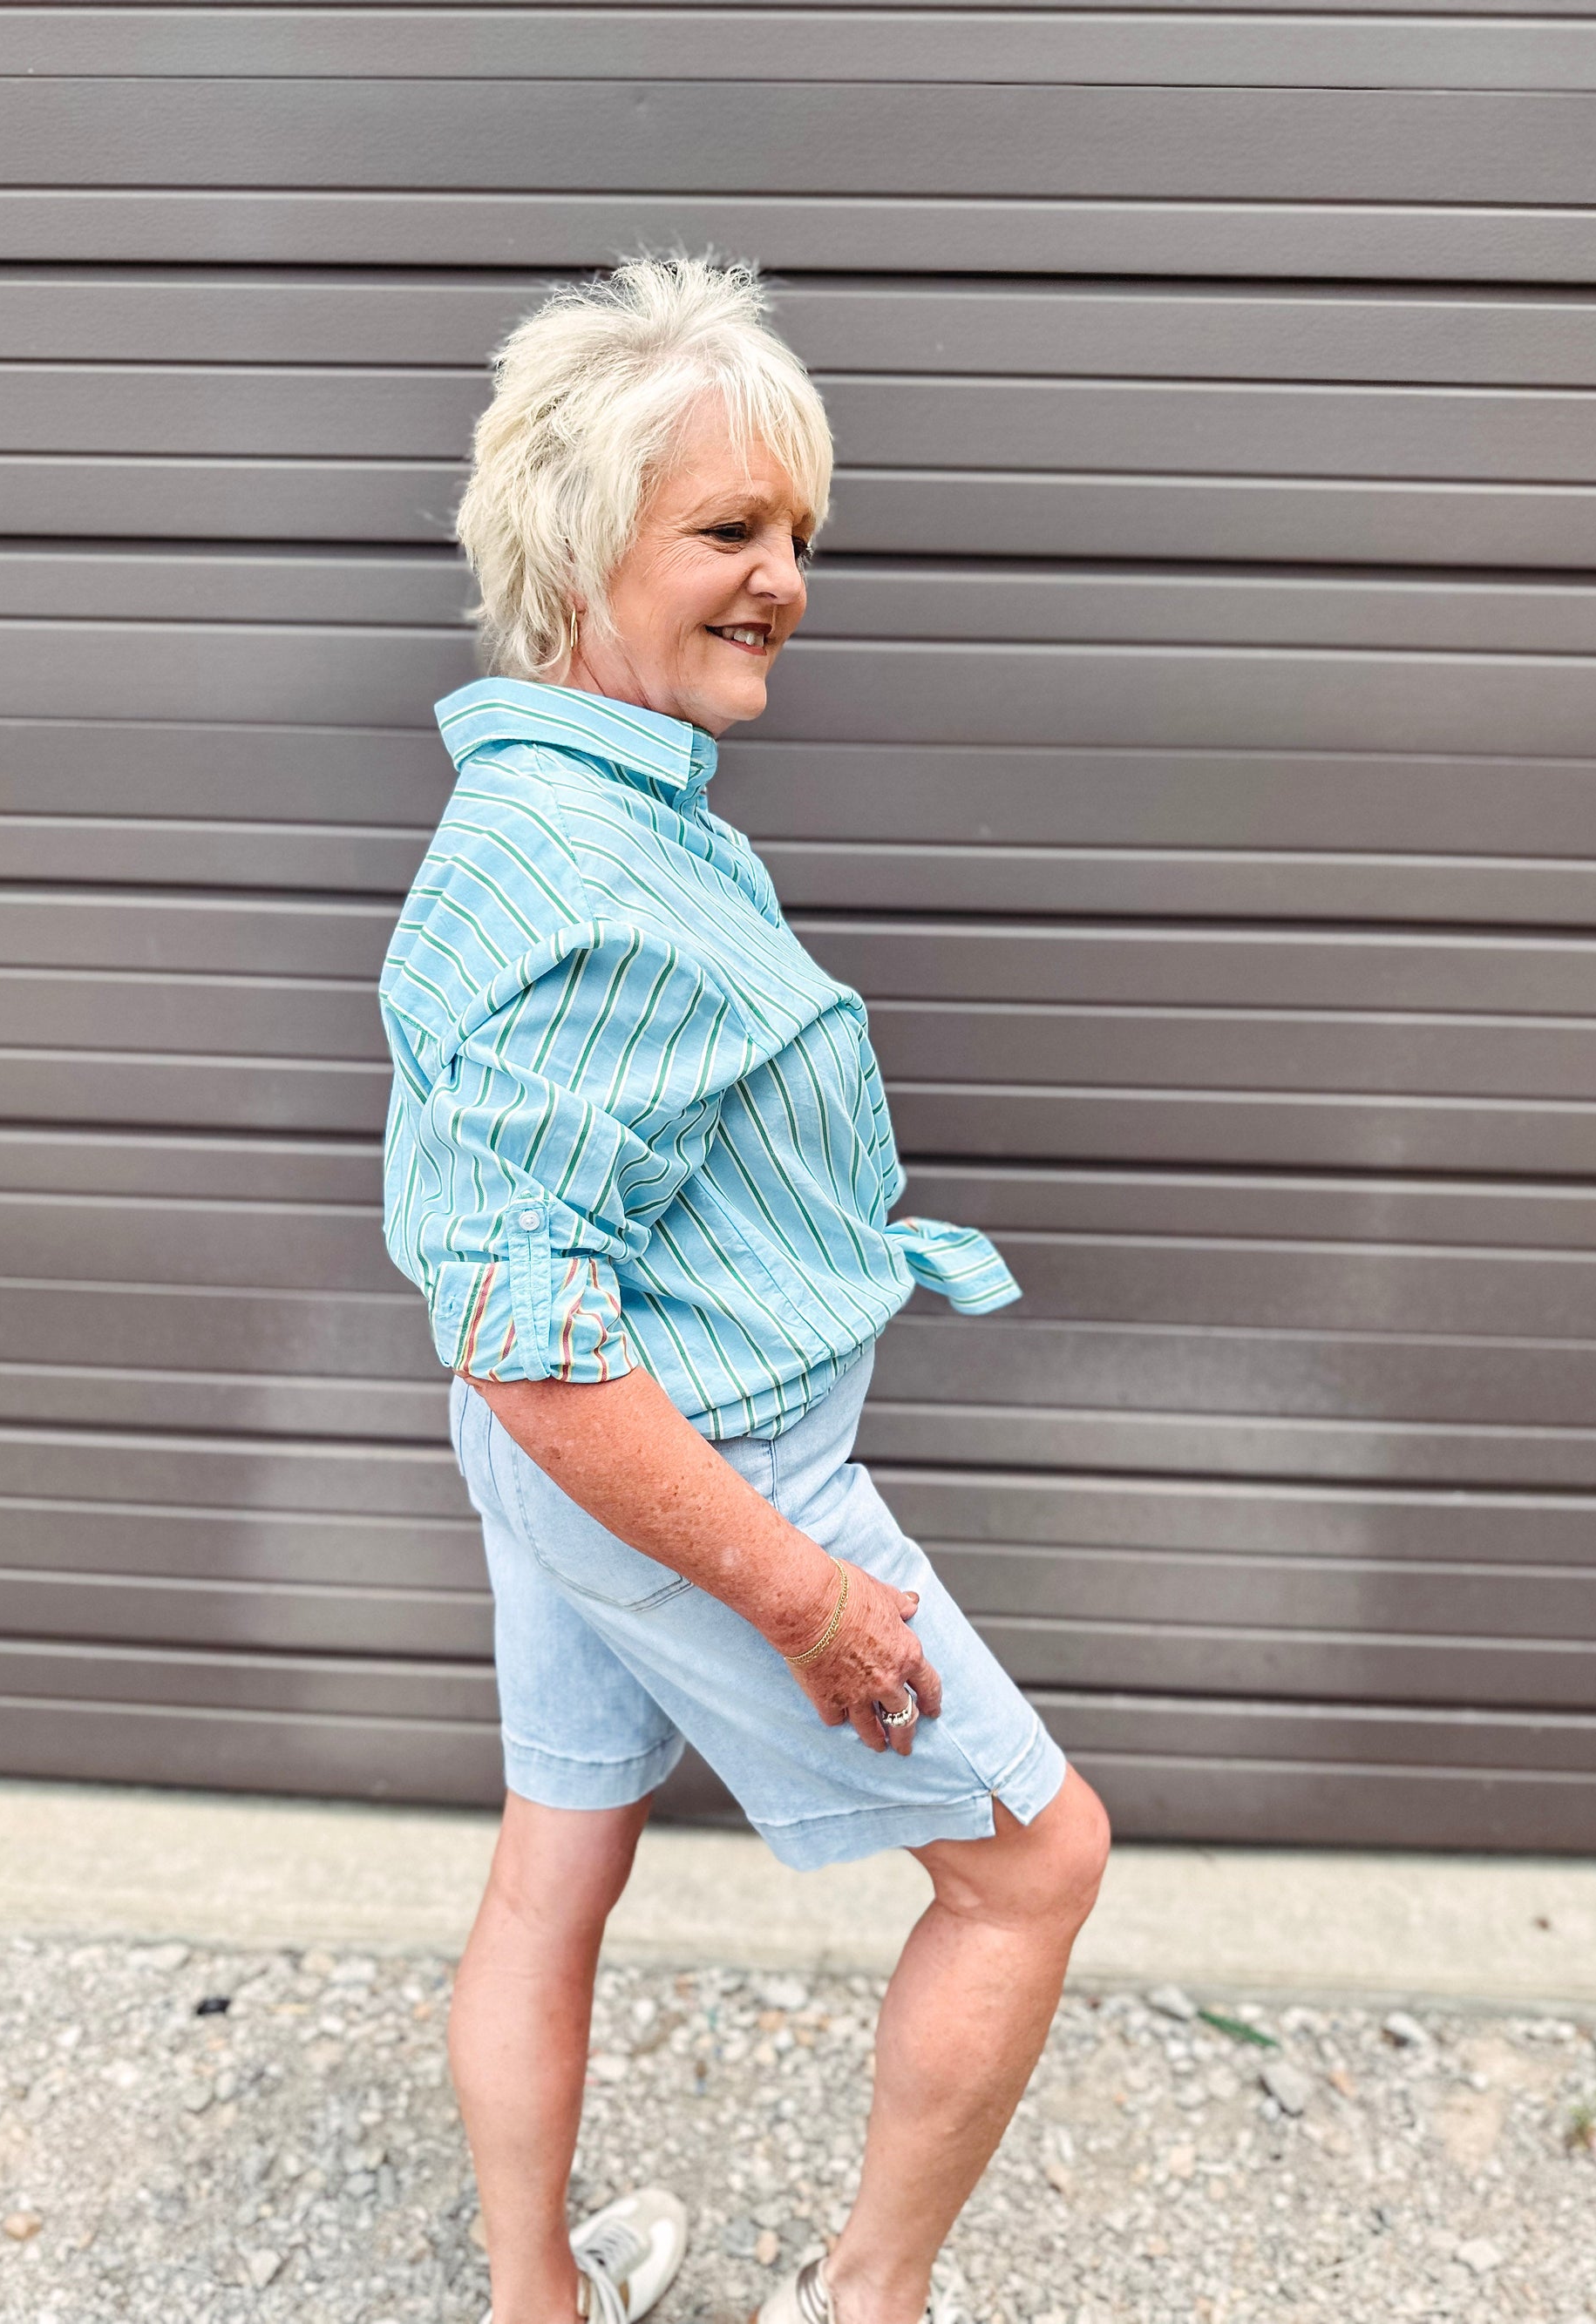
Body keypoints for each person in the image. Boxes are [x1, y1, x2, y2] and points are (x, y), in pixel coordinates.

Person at [378, 256, 1111, 2324]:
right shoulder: (585, 885)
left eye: (796, 531)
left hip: (589, 1480)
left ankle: (542, 2300)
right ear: (572, 545)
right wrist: (798, 1592)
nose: (783, 575)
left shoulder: (582, 808)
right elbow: (529, 1341)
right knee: (1032, 1866)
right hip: (695, 1472)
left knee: (557, 1854)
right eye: (725, 529)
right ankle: (858, 2306)